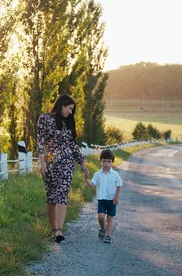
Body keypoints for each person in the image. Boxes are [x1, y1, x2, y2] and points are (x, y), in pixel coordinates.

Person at [37, 94, 89, 243]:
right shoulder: (44, 119)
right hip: (50, 162)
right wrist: (42, 163)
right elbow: (40, 142)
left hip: (66, 163)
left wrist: (83, 164)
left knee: (62, 193)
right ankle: (53, 230)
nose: (71, 112)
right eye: (70, 109)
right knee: (51, 197)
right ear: (62, 106)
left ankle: (60, 229)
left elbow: (73, 145)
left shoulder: (68, 123)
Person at [84, 148, 122, 244]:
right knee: (100, 217)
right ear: (101, 161)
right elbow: (92, 185)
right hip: (101, 200)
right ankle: (102, 228)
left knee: (110, 218)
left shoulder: (115, 175)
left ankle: (108, 236)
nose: (106, 164)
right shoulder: (97, 174)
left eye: (108, 161)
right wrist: (86, 179)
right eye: (104, 161)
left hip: (111, 201)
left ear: (112, 162)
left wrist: (116, 197)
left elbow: (119, 186)